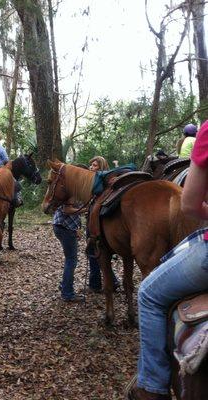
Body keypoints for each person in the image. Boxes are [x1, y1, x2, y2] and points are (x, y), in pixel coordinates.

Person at [126, 120, 208, 400]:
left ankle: (152, 386)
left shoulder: (201, 135)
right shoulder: (197, 135)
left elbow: (189, 205)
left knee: (148, 293)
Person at [87, 156, 120, 293]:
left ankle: (96, 284)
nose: (91, 168)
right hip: (95, 221)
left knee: (94, 253)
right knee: (98, 254)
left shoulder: (99, 183)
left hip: (96, 224)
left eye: (94, 166)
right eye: (91, 165)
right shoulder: (100, 182)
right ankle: (112, 281)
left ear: (100, 168)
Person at [53, 200, 84, 303]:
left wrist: (77, 229)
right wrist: (84, 210)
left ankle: (64, 285)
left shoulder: (75, 190)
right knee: (71, 260)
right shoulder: (72, 191)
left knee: (70, 259)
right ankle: (67, 293)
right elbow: (67, 210)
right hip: (65, 228)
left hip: (64, 227)